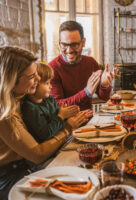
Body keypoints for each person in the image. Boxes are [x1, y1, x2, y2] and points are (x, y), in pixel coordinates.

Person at [0, 46, 91, 199]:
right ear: (12, 81)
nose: (37, 79)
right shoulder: (5, 114)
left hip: (25, 167)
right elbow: (37, 154)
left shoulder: (19, 98)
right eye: (31, 77)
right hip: (11, 177)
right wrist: (68, 127)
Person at [49, 20, 118, 111]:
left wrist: (104, 85)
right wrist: (86, 92)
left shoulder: (90, 62)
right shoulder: (52, 68)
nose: (69, 50)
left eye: (74, 45)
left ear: (83, 42)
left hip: (88, 120)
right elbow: (57, 105)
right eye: (64, 45)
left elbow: (104, 98)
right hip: (66, 123)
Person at [21, 63, 80, 143]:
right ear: (35, 85)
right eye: (47, 83)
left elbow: (58, 117)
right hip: (49, 146)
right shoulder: (29, 108)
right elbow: (46, 134)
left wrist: (69, 113)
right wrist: (61, 116)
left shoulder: (49, 99)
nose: (50, 87)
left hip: (60, 139)